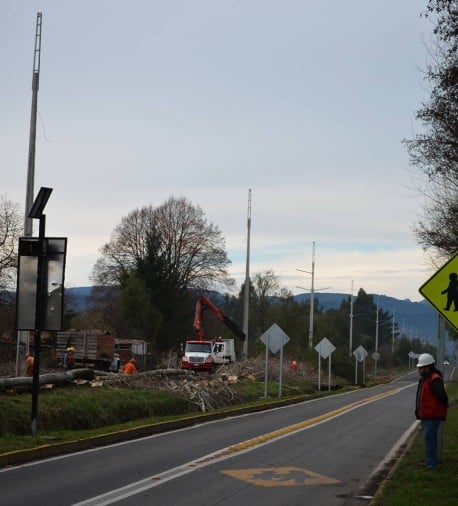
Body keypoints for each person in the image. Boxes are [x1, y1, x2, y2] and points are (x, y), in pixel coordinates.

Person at [415, 353, 448, 470]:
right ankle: (430, 461)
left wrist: (436, 410)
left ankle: (431, 465)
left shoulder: (434, 379)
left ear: (429, 366)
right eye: (420, 368)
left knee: (429, 439)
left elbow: (442, 397)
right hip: (426, 415)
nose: (420, 370)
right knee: (429, 439)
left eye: (422, 368)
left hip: (432, 415)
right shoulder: (426, 379)